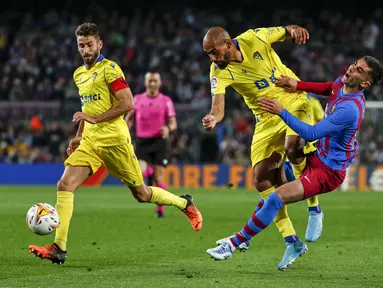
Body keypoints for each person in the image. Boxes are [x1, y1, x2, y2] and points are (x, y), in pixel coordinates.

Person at [28, 23, 203, 265]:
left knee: (141, 194)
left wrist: (95, 119)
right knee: (65, 184)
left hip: (115, 141)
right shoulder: (79, 74)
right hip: (90, 140)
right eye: (81, 45)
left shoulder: (110, 69)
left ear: (99, 44)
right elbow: (88, 109)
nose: (86, 49)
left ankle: (184, 203)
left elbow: (127, 103)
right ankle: (59, 248)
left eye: (90, 44)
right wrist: (79, 134)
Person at [206, 55, 383, 269]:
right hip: (318, 156)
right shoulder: (343, 82)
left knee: (275, 199)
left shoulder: (350, 110)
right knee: (269, 188)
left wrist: (281, 111)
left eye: (359, 70)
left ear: (365, 83)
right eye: (355, 64)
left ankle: (234, 244)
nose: (352, 68)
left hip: (327, 172)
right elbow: (329, 87)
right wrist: (297, 84)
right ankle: (295, 233)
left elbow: (311, 132)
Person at [202, 25, 322, 269]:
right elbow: (218, 107)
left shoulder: (254, 37)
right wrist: (214, 118)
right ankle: (292, 241)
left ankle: (314, 208)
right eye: (208, 54)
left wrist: (294, 31)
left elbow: (286, 31)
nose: (212, 58)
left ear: (228, 43)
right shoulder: (217, 70)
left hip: (293, 101)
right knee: (261, 180)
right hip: (265, 118)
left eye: (214, 52)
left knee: (293, 148)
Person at [125, 72, 177, 218]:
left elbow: (173, 123)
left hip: (160, 142)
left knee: (158, 179)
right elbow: (128, 120)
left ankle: (160, 209)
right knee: (140, 172)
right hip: (142, 142)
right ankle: (148, 172)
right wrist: (124, 133)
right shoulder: (137, 99)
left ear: (160, 83)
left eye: (155, 81)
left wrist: (168, 128)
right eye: (150, 81)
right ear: (145, 83)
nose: (152, 84)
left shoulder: (166, 101)